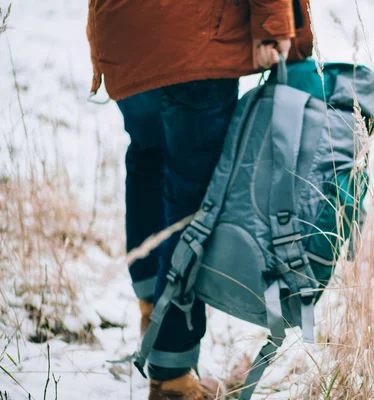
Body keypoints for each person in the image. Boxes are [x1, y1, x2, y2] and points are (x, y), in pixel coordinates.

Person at [86, 1, 312, 398]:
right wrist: (273, 21)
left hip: (124, 28)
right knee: (190, 199)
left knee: (147, 157)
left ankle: (151, 309)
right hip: (198, 31)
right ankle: (171, 374)